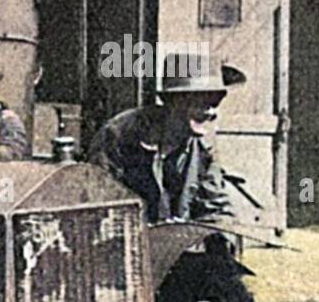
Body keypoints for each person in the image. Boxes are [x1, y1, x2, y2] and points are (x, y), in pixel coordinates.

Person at [88, 52, 240, 227]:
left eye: (215, 103)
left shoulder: (203, 146)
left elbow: (215, 207)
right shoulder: (119, 134)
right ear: (172, 101)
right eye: (201, 102)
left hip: (175, 245)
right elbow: (96, 201)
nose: (211, 113)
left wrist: (222, 237)